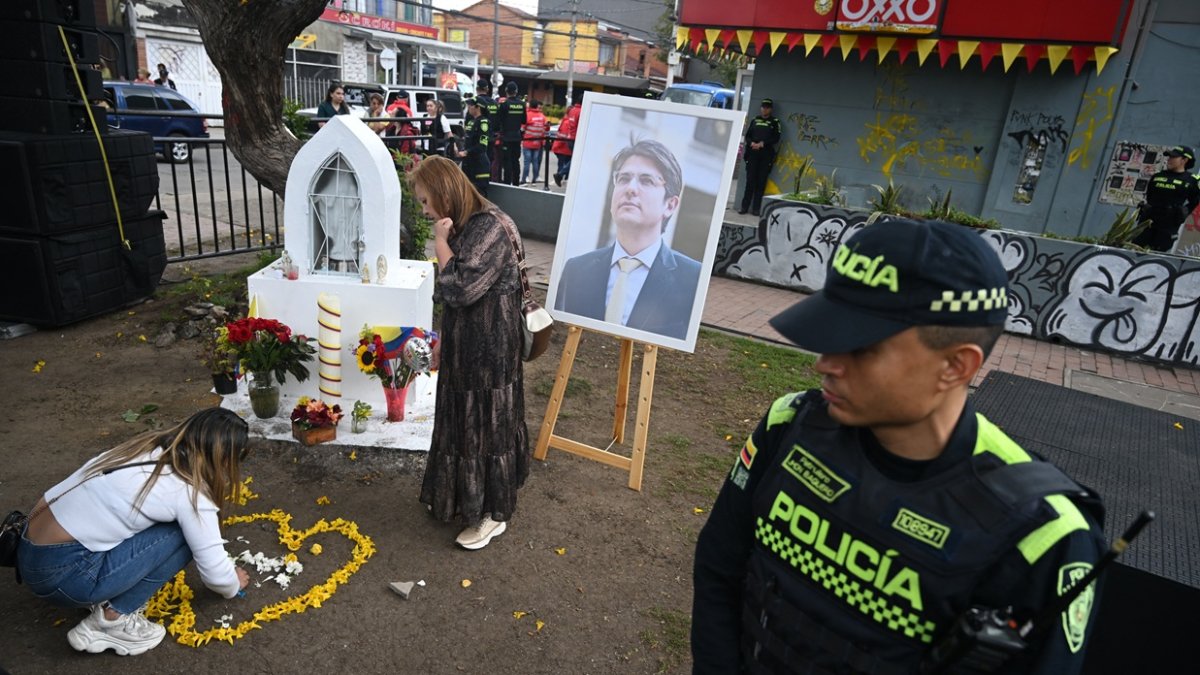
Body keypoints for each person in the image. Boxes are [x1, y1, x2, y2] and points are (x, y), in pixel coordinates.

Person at [691, 219, 1106, 674]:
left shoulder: (1042, 535)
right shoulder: (791, 424)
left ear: (955, 366)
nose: (824, 364)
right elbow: (719, 568)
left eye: (861, 348)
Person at [15, 408, 251, 656]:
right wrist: (233, 583)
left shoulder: (143, 447)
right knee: (181, 535)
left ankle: (100, 592)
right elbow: (217, 577)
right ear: (225, 459)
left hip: (29, 549)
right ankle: (111, 621)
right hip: (61, 578)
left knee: (160, 522)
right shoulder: (189, 493)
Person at [409, 155, 531, 551]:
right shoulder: (472, 223)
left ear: (445, 193)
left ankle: (491, 515)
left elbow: (458, 286)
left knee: (485, 431)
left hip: (490, 353)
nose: (427, 212)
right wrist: (444, 339)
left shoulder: (489, 228)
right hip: (469, 348)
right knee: (465, 426)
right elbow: (457, 299)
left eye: (427, 202)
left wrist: (440, 243)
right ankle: (465, 498)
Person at [553, 139, 701, 340]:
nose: (630, 188)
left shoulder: (693, 279)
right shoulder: (576, 269)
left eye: (647, 181)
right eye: (623, 179)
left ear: (670, 205)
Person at [1132, 145, 1200, 252]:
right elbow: (1149, 196)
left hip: (1168, 224)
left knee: (1158, 252)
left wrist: (1183, 212)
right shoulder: (1157, 176)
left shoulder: (1191, 180)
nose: (1169, 160)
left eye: (1173, 157)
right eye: (1169, 157)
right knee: (1135, 247)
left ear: (1184, 160)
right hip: (1148, 221)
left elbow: (1195, 201)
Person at [738, 97, 782, 216]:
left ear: (771, 109)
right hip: (752, 154)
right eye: (763, 107)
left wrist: (763, 143)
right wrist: (751, 142)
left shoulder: (775, 122)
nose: (764, 110)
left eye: (767, 108)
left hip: (765, 154)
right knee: (750, 181)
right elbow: (747, 136)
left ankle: (756, 208)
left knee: (761, 182)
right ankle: (744, 207)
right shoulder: (755, 120)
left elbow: (776, 138)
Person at [458, 97, 492, 197]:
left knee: (479, 194)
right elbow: (468, 141)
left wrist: (467, 152)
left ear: (478, 107)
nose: (468, 107)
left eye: (471, 105)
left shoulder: (483, 122)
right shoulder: (471, 121)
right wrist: (461, 150)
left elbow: (482, 146)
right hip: (469, 163)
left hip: (479, 165)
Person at [498, 81, 527, 186]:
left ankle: (507, 183)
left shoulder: (504, 104)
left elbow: (499, 120)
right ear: (516, 91)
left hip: (506, 137)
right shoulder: (522, 104)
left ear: (506, 91)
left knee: (507, 161)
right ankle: (516, 183)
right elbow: (524, 121)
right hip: (517, 137)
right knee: (516, 161)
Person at [551, 100, 581, 187]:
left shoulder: (572, 112)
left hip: (566, 144)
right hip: (565, 146)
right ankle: (561, 175)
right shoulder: (579, 112)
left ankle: (563, 177)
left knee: (570, 161)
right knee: (573, 160)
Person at [521, 99, 549, 185]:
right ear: (537, 106)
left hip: (527, 142)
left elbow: (522, 128)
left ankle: (524, 180)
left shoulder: (527, 115)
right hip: (537, 143)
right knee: (535, 162)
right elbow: (546, 128)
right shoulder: (542, 116)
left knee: (527, 162)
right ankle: (534, 180)